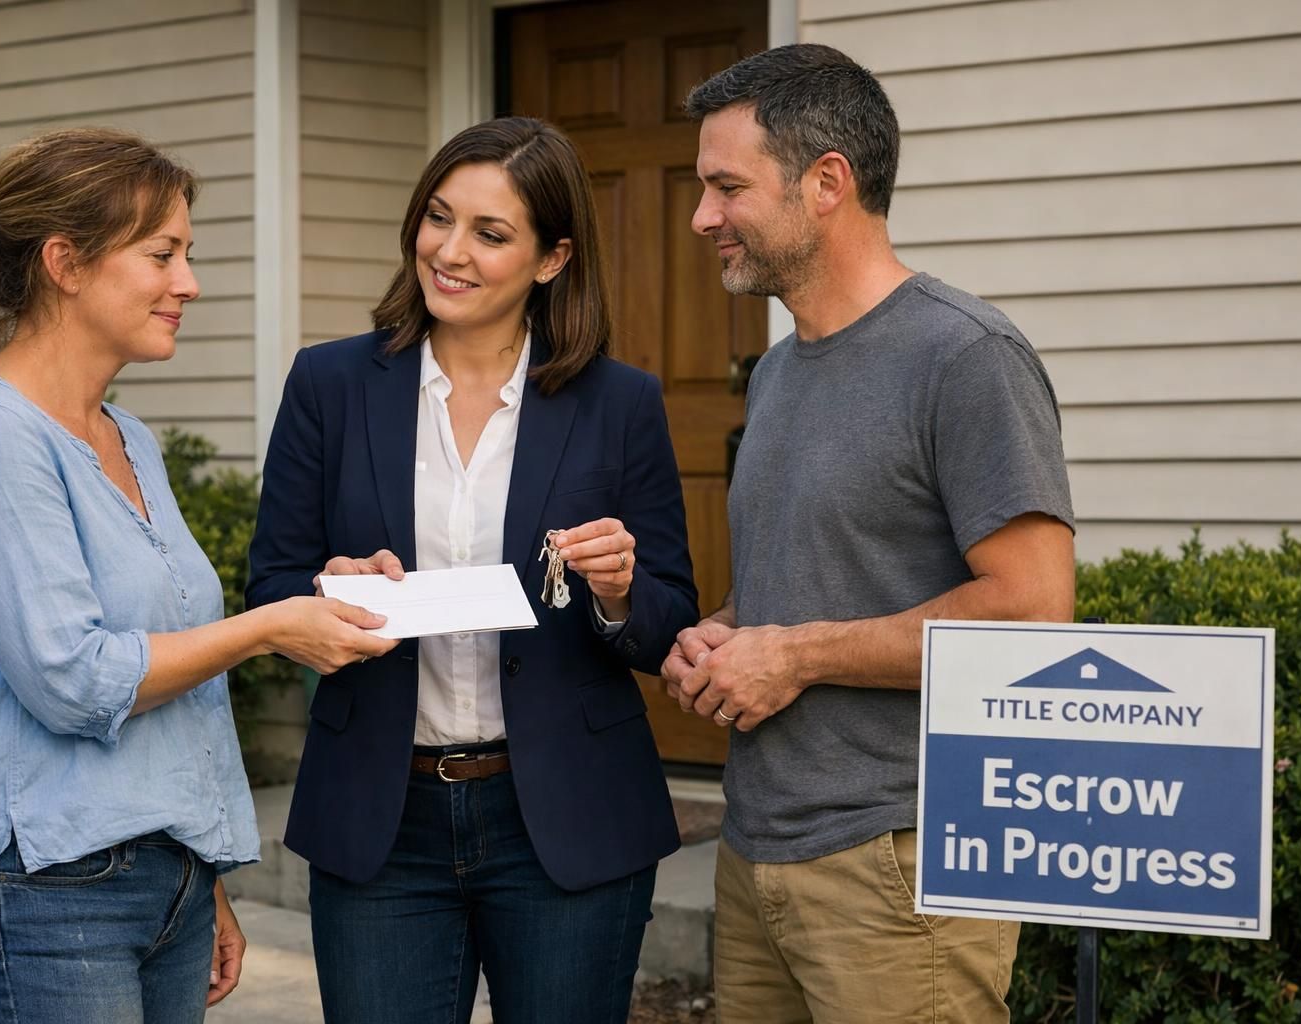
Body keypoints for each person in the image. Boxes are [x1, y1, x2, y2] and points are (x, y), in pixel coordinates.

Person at [0, 127, 395, 1024]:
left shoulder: (130, 439)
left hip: (157, 883)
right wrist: (271, 626)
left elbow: (174, 670)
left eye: (188, 255)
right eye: (162, 254)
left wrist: (202, 883)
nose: (189, 283)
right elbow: (75, 681)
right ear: (65, 263)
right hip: (31, 890)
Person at [246, 115, 699, 1023]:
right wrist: (332, 591)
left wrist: (616, 591)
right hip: (381, 815)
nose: (449, 252)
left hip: (568, 817)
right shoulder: (328, 386)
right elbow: (272, 588)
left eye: (490, 234)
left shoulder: (620, 403)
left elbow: (666, 621)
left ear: (551, 258)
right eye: (438, 218)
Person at [662, 45, 1077, 1023]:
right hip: (756, 846)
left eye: (727, 187)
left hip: (900, 862)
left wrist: (794, 653)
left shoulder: (964, 356)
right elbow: (827, 579)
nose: (701, 218)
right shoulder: (775, 373)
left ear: (826, 184)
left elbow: (1030, 612)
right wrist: (730, 636)